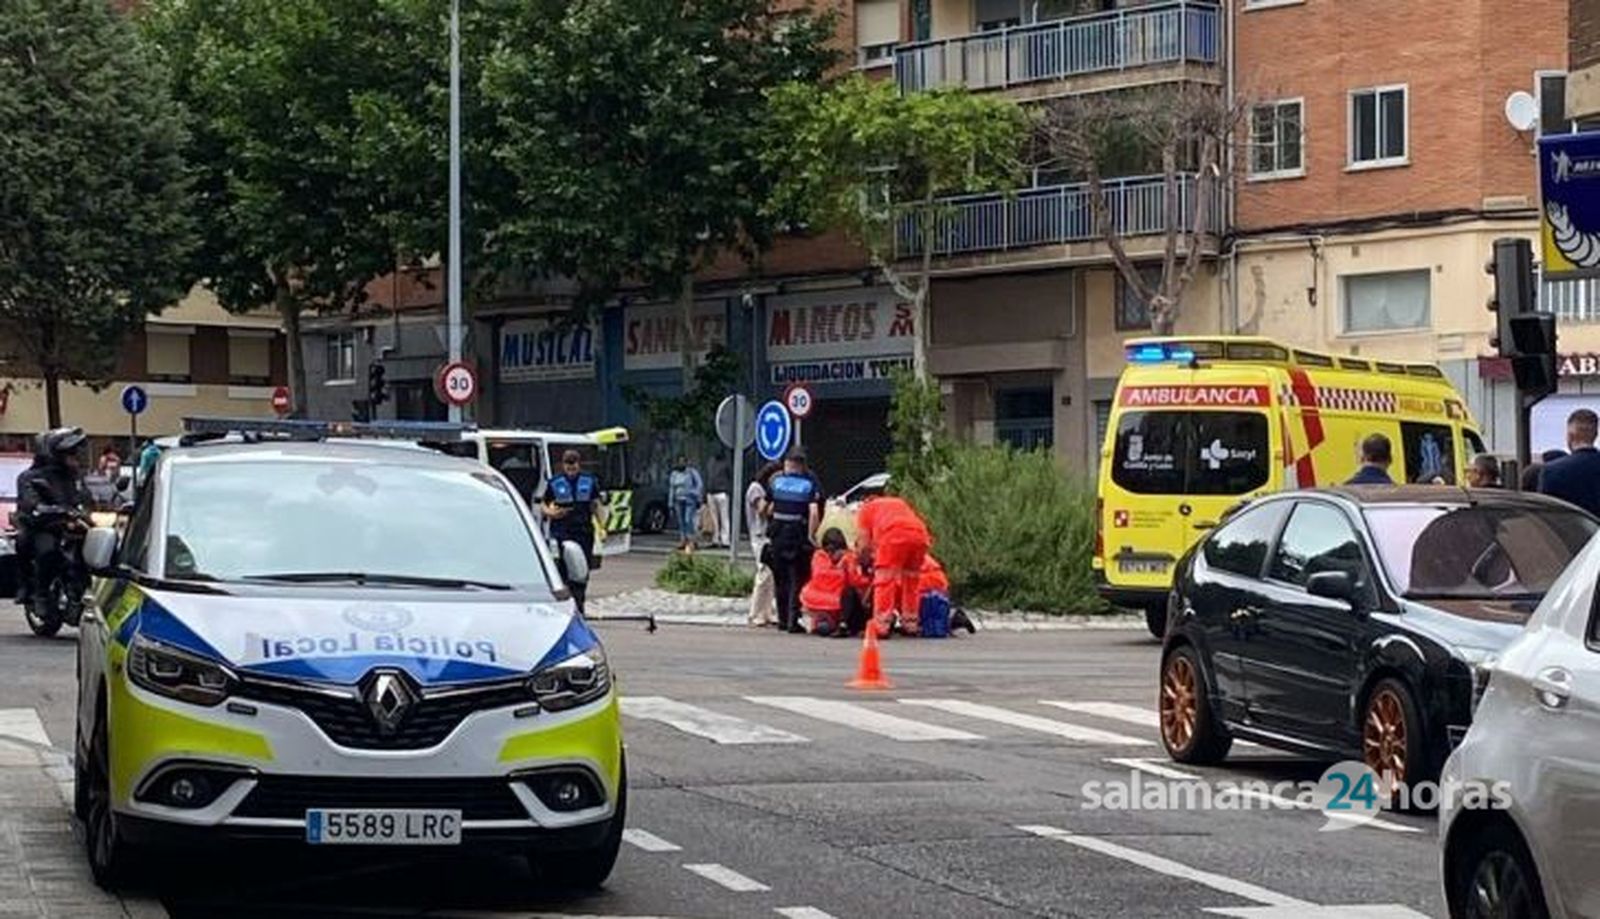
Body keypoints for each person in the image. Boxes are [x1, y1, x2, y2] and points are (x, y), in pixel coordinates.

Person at [15, 428, 89, 607]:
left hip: (73, 526)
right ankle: (41, 594)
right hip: (44, 526)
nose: (74, 456)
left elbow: (87, 497)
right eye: (69, 452)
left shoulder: (74, 476)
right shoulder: (30, 478)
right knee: (48, 551)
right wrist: (50, 509)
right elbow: (30, 503)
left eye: (75, 451)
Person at [762, 448, 824, 634]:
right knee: (798, 577)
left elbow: (766, 508)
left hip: (778, 535)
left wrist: (773, 520)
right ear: (802, 465)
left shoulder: (776, 482)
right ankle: (792, 620)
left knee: (781, 580)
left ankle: (782, 620)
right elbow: (813, 513)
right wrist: (812, 535)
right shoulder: (808, 484)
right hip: (798, 535)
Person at [855, 494, 933, 638]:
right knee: (911, 580)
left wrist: (862, 562)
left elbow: (863, 545)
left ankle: (881, 625)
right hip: (920, 536)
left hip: (893, 536)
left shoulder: (866, 509)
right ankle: (910, 623)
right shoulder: (898, 502)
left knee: (885, 580)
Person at [543, 449, 606, 614]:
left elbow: (596, 505)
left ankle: (579, 606)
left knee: (581, 571)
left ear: (579, 464)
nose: (571, 467)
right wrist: (551, 513)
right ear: (563, 464)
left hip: (583, 532)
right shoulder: (555, 482)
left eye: (574, 463)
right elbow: (543, 505)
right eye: (567, 463)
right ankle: (565, 607)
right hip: (561, 532)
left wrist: (602, 527)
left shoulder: (589, 481)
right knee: (562, 571)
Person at [799, 528, 869, 637]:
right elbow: (823, 576)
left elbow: (855, 580)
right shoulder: (820, 557)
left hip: (839, 605)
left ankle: (841, 624)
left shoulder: (847, 559)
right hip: (826, 603)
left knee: (849, 593)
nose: (832, 554)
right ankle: (837, 624)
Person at [1539, 409, 1600, 517]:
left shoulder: (1551, 471)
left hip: (1570, 532)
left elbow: (1546, 515)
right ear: (1595, 435)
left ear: (1570, 435)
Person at [745, 462, 780, 627]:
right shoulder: (756, 489)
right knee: (763, 573)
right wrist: (776, 498)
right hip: (759, 535)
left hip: (768, 535)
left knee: (771, 576)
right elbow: (762, 510)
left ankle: (768, 612)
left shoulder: (762, 489)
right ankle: (755, 612)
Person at [668, 455, 704, 552]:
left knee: (688, 520)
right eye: (679, 462)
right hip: (678, 500)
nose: (681, 464)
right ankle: (683, 540)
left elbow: (699, 485)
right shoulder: (674, 474)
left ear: (687, 463)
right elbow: (672, 489)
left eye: (683, 462)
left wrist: (694, 494)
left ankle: (691, 541)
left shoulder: (692, 472)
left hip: (689, 500)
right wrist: (670, 503)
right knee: (681, 522)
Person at [706, 453, 732, 548]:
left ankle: (725, 540)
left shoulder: (722, 462)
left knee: (723, 517)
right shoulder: (711, 462)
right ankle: (716, 539)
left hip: (721, 491)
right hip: (713, 492)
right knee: (715, 518)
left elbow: (730, 476)